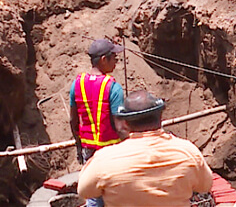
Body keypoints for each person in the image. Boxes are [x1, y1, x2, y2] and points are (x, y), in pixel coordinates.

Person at [77, 90, 213, 207]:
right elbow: (205, 186)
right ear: (160, 117)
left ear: (125, 123)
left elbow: (84, 191)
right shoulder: (188, 152)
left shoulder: (104, 160)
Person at [70, 39, 126, 207]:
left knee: (94, 196)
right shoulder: (113, 88)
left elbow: (73, 120)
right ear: (103, 59)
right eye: (114, 57)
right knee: (116, 194)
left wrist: (79, 146)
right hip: (111, 149)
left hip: (89, 150)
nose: (116, 61)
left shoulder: (77, 84)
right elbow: (120, 126)